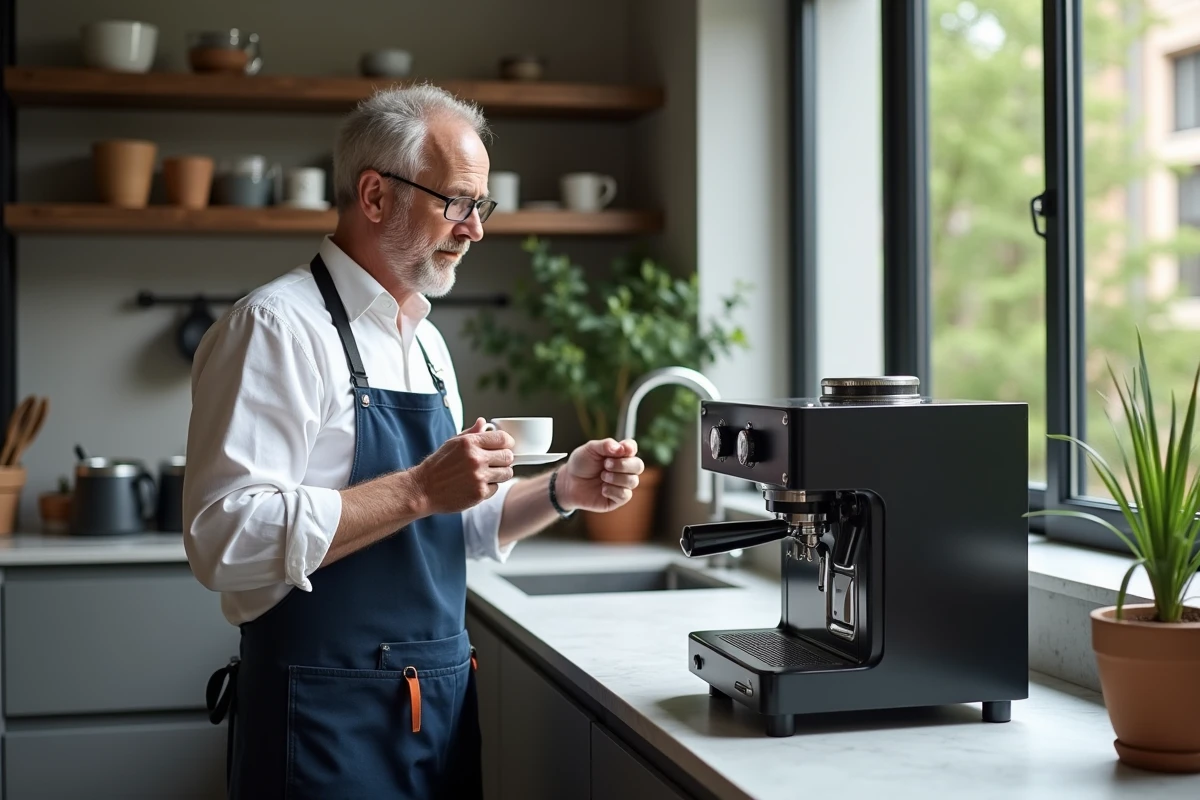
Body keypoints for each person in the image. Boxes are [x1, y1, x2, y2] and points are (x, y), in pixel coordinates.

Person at [182, 84, 645, 800]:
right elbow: (224, 538)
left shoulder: (425, 342)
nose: (475, 229)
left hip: (436, 714)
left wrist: (561, 490)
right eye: (457, 202)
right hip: (323, 723)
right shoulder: (274, 328)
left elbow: (450, 529)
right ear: (375, 196)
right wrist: (421, 487)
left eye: (480, 205)